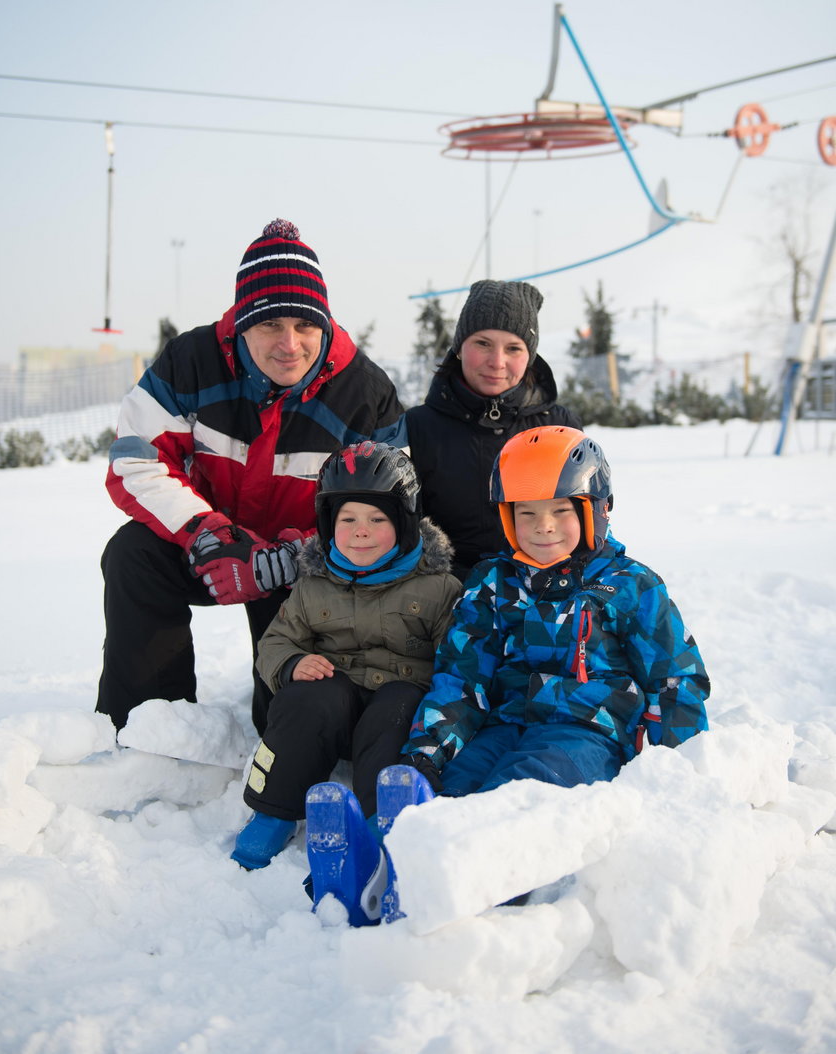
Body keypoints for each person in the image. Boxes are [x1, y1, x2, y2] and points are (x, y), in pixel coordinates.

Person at [302, 425, 710, 925]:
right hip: (501, 724)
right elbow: (461, 679)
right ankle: (379, 868)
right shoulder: (493, 585)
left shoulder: (631, 587)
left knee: (520, 790)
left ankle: (473, 888)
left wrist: (681, 774)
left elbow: (676, 680)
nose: (544, 527)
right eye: (527, 513)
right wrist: (428, 755)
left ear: (596, 510)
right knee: (455, 783)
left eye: (562, 511)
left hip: (585, 735)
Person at [96, 220, 405, 736]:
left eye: (305, 326)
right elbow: (136, 462)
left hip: (307, 569)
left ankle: (288, 724)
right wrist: (209, 534)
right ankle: (151, 728)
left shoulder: (365, 392)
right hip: (209, 548)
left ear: (325, 324)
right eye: (270, 326)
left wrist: (287, 560)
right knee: (133, 554)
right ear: (241, 322)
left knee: (283, 727)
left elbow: (389, 511)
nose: (289, 344)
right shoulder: (189, 362)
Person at [229, 441, 461, 871]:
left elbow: (457, 658)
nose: (361, 531)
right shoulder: (313, 584)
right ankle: (275, 811)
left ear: (406, 524)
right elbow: (276, 641)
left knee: (396, 711)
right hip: (337, 704)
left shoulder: (437, 587)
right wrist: (293, 664)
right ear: (326, 523)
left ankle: (381, 818)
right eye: (347, 518)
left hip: (399, 700)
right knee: (304, 700)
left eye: (378, 519)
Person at [405, 279, 581, 581]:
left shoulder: (559, 427)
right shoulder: (417, 427)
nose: (497, 362)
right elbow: (403, 529)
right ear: (459, 347)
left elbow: (587, 523)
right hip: (446, 596)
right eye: (482, 343)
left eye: (514, 348)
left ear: (530, 358)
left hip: (542, 595)